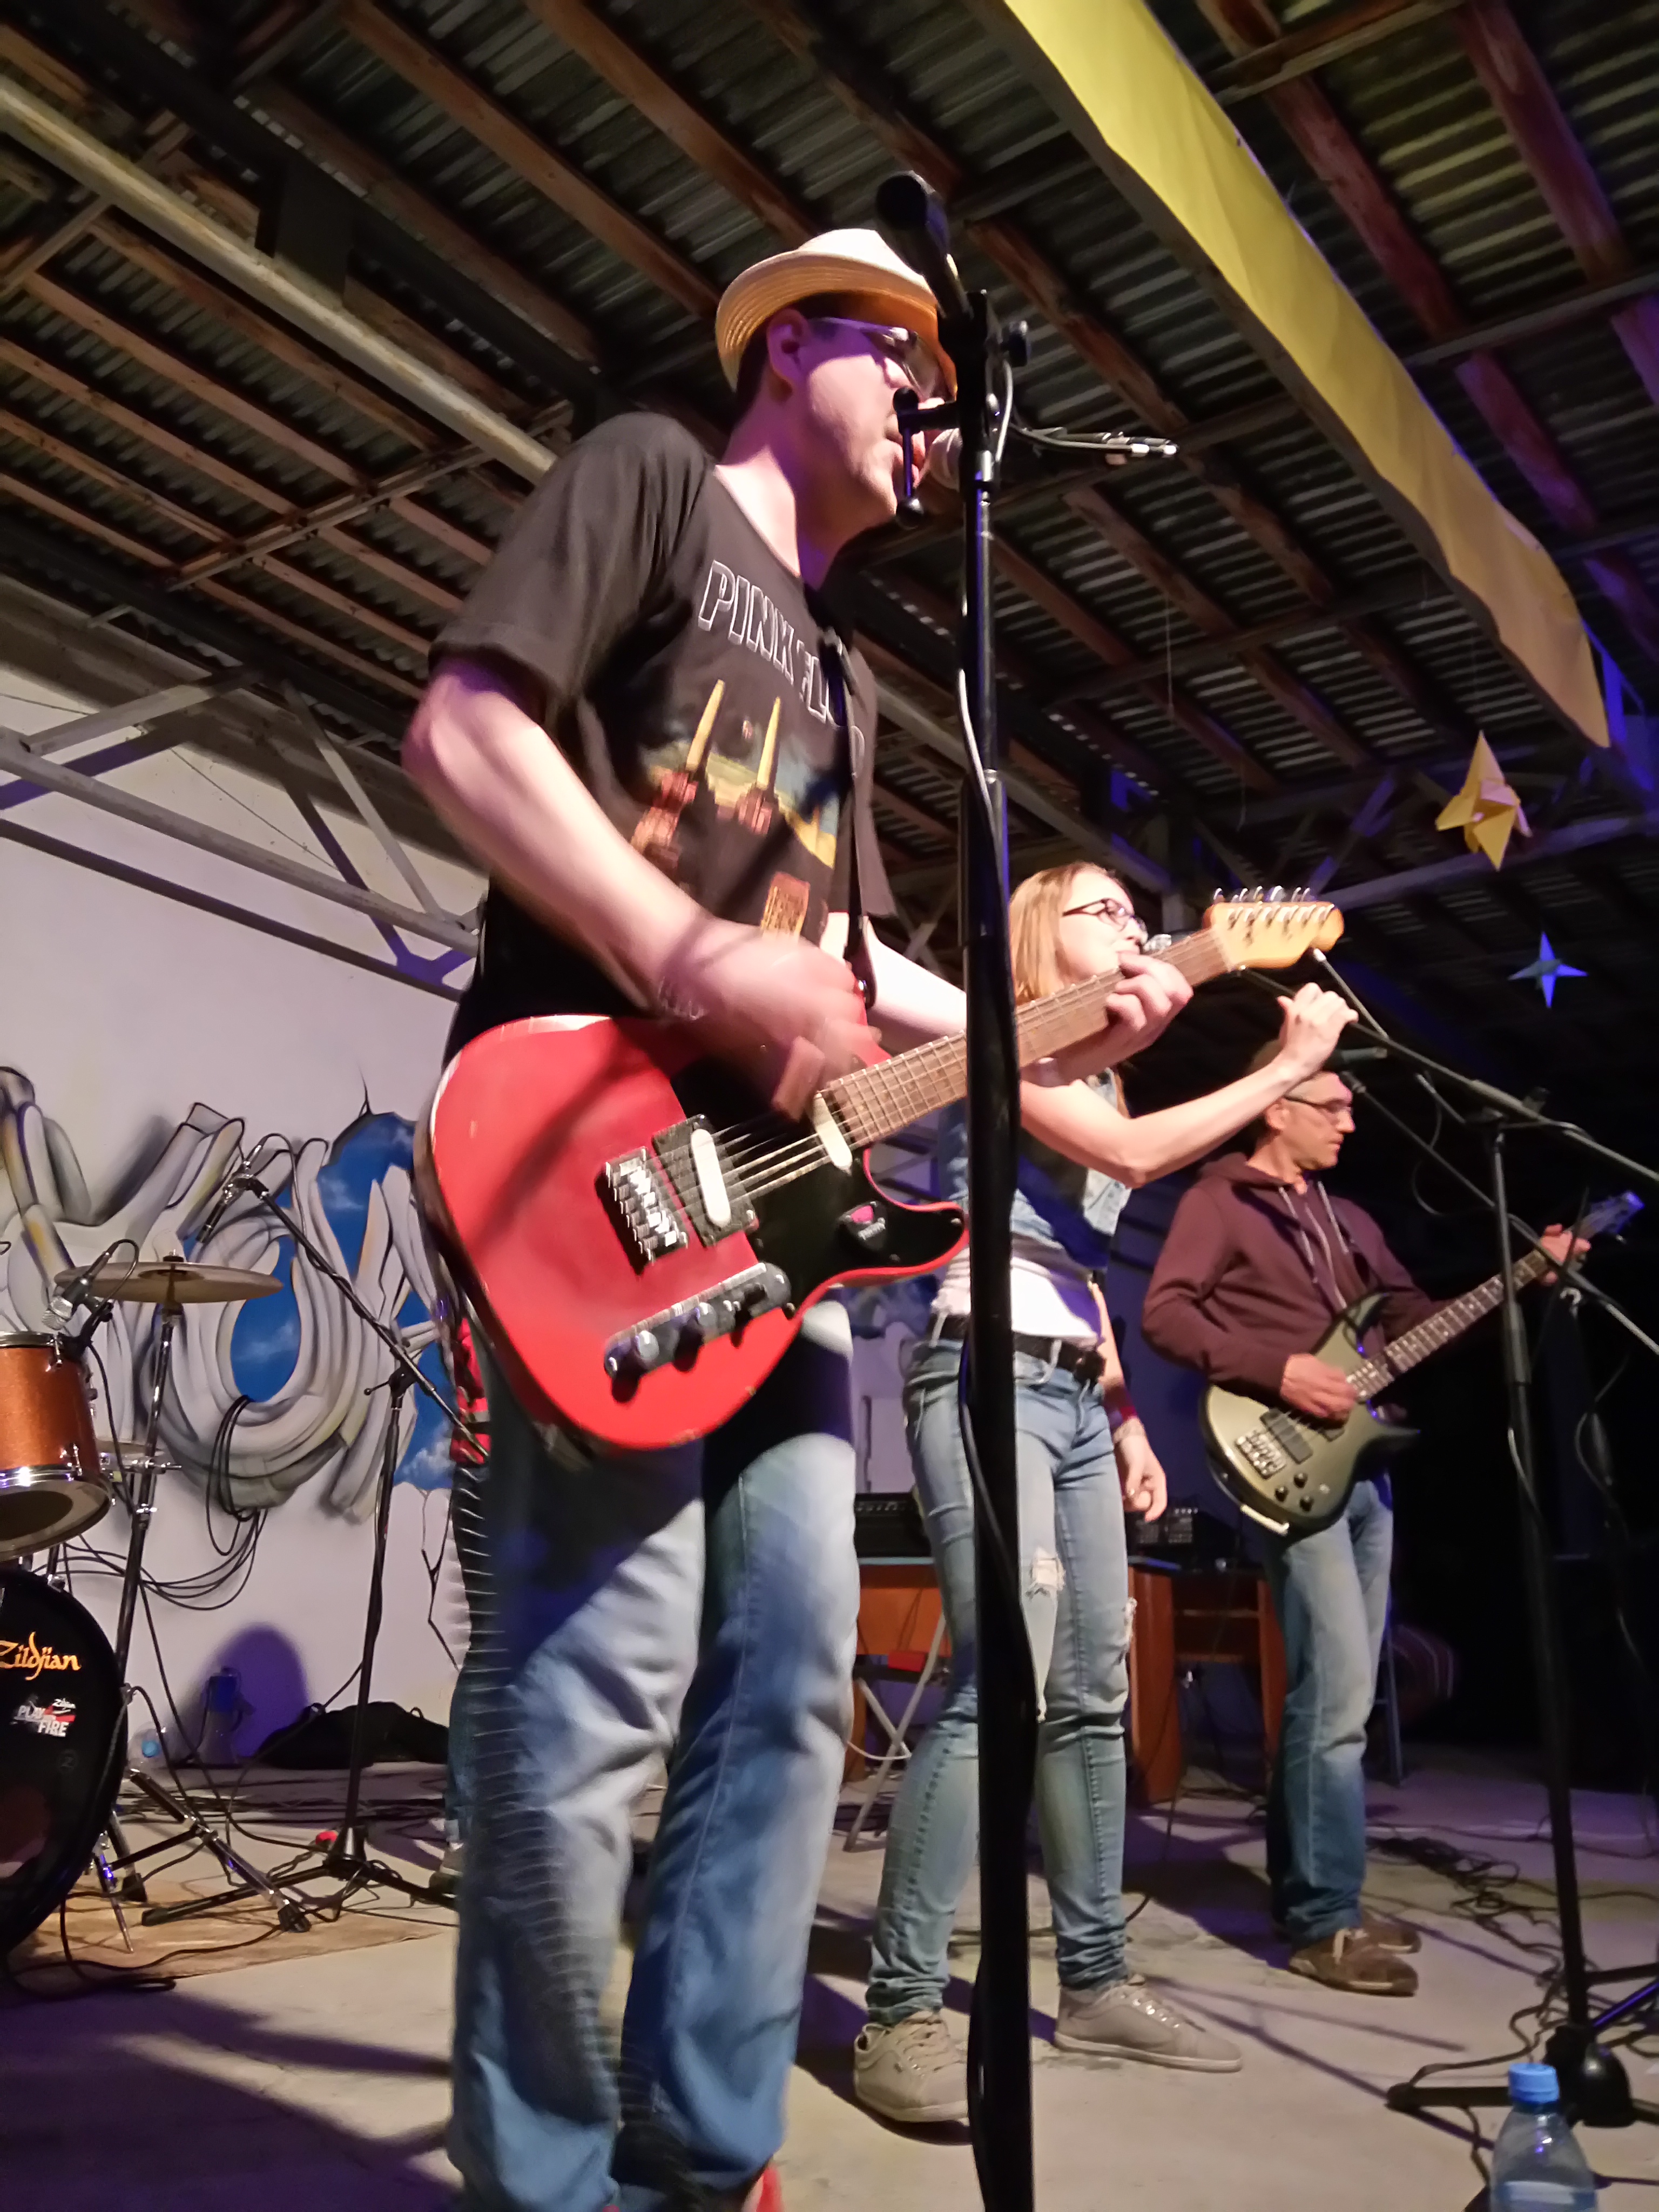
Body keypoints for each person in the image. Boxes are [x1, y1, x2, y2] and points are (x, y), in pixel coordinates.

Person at [403, 231, 1190, 2212]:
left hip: (785, 1225)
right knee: (597, 1684)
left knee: (791, 1684)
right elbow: (466, 730)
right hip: (587, 1151)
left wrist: (1057, 1042)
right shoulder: (655, 478)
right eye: (907, 359)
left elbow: (854, 977)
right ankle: (544, 2179)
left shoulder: (852, 677)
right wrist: (680, 948)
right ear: (793, 349)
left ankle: (705, 2151)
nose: (936, 410)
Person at [853, 861, 1355, 2125]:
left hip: (1073, 1387)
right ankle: (900, 2009)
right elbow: (1132, 1155)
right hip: (986, 1371)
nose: (1132, 924)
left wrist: (1124, 1412)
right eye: (1102, 910)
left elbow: (1079, 1261)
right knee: (1003, 1682)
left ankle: (1095, 1979)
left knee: (1091, 1691)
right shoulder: (1003, 1042)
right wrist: (1285, 1068)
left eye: (1138, 912)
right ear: (1040, 933)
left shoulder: (1106, 1069)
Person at [1141, 1050, 1581, 1996]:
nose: (1349, 1122)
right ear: (1277, 1109)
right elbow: (1165, 1316)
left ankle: (1315, 1890)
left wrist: (1521, 1279)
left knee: (1342, 1688)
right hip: (1287, 1460)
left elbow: (1415, 1320)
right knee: (1335, 1693)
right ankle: (1322, 1921)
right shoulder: (1220, 1202)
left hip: (1365, 1465)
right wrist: (1280, 1369)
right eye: (1332, 1106)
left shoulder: (1351, 1220)